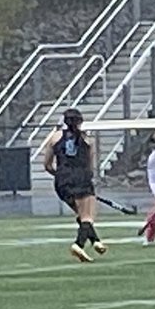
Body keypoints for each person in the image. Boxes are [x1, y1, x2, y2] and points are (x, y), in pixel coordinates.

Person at [43, 107, 106, 262]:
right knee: (88, 216)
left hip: (61, 182)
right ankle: (78, 244)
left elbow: (47, 165)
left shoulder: (54, 137)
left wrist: (60, 176)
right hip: (81, 179)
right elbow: (90, 168)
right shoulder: (88, 140)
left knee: (82, 215)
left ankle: (96, 241)